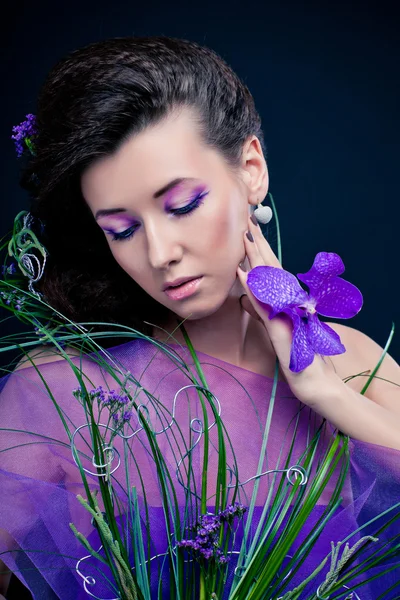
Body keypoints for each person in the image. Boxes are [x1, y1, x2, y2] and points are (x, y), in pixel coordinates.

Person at [0, 35, 399, 600]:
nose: (159, 252)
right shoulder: (63, 389)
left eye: (182, 205)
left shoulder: (351, 360)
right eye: (122, 230)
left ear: (251, 169)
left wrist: (323, 392)